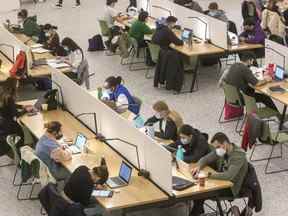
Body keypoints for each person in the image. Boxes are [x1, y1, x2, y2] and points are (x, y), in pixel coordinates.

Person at [190, 132, 248, 216]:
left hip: (230, 187)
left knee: (200, 192)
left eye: (217, 147)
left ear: (224, 144)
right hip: (220, 181)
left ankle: (196, 213)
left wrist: (208, 175)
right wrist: (198, 167)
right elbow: (205, 159)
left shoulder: (238, 156)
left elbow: (229, 176)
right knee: (197, 189)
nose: (216, 150)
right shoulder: (222, 150)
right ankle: (198, 212)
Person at [0, 78, 32, 157]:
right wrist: (26, 110)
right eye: (17, 84)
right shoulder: (10, 98)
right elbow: (16, 114)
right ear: (13, 86)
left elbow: (10, 106)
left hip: (3, 122)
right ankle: (20, 153)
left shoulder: (3, 94)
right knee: (21, 133)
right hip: (9, 124)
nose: (18, 85)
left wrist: (22, 106)